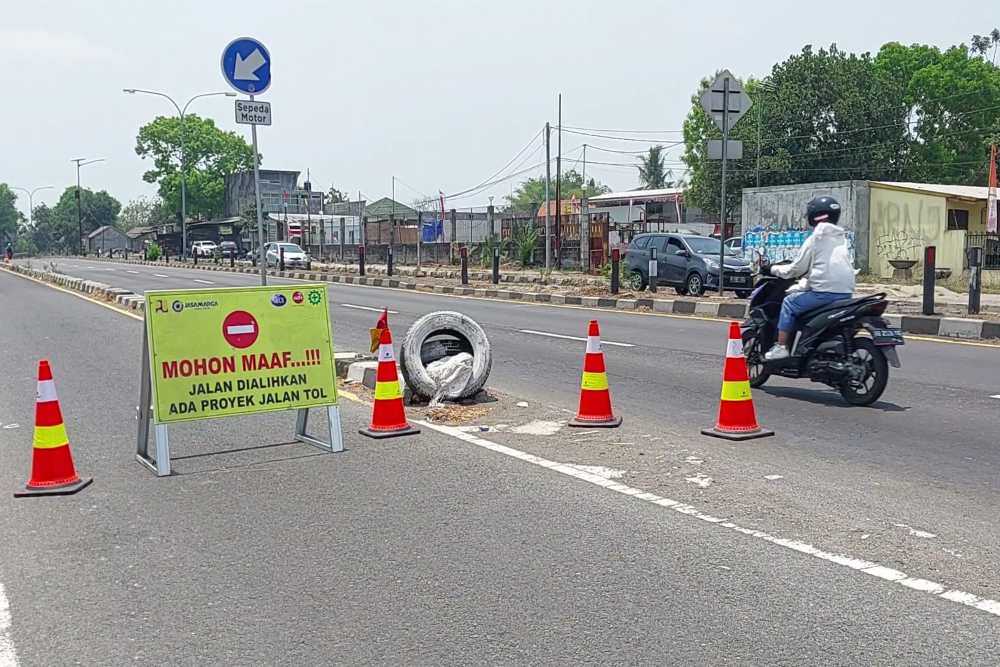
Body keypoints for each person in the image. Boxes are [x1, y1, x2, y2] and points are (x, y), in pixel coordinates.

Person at [764, 196, 856, 361]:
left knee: (789, 303)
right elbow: (825, 267)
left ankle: (781, 346)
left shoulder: (815, 238)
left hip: (824, 293)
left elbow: (795, 269)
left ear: (813, 216)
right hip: (846, 294)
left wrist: (771, 268)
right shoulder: (842, 238)